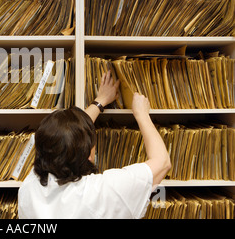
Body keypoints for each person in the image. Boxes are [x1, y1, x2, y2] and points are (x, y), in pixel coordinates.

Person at [18, 71, 171, 219]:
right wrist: (142, 114)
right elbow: (162, 162)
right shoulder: (101, 191)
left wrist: (100, 101)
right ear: (88, 155)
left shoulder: (30, 187)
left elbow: (69, 135)